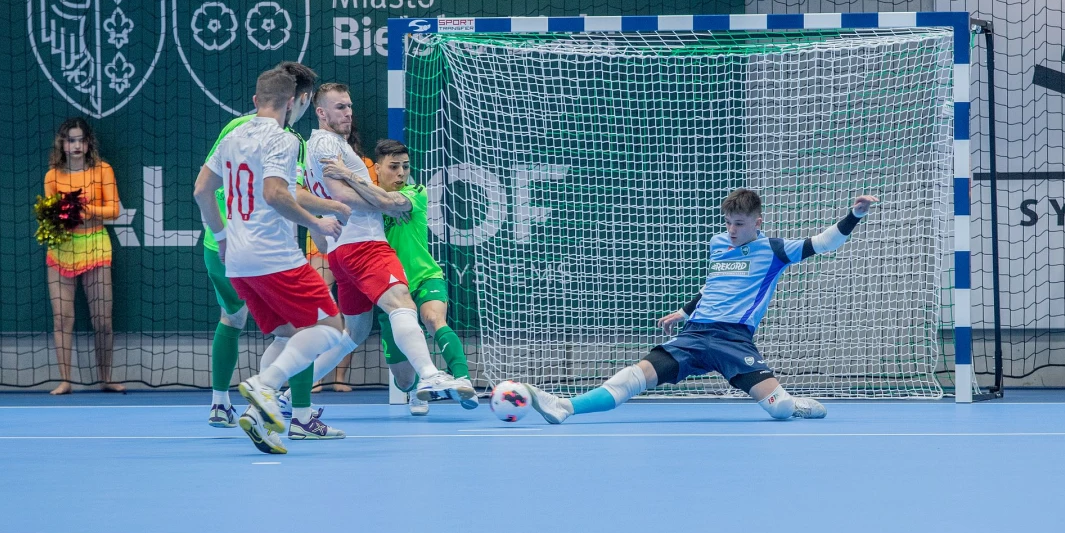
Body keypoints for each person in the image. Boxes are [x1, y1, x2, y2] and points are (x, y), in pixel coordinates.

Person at [528, 188, 878, 423]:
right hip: (694, 335)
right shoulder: (718, 243)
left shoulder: (775, 250)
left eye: (739, 224)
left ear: (757, 222)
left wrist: (855, 214)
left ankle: (792, 403)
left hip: (733, 340)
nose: (731, 230)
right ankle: (563, 406)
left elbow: (824, 242)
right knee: (634, 378)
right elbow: (714, 285)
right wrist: (684, 312)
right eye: (728, 222)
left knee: (780, 409)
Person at [193, 68, 356, 454]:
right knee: (331, 328)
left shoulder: (233, 134)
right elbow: (276, 193)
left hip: (237, 260)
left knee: (286, 335)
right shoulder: (284, 139)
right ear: (294, 102)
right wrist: (317, 222)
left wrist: (221, 237)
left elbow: (201, 190)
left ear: (255, 100)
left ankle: (262, 416)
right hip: (274, 256)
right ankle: (265, 386)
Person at [301, 83, 470, 408]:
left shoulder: (324, 146)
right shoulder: (326, 142)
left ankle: (290, 393)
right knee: (402, 304)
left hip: (341, 252)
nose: (348, 113)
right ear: (320, 112)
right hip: (364, 244)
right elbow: (341, 196)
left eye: (349, 106)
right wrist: (386, 205)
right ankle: (430, 374)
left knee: (354, 333)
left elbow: (325, 197)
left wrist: (369, 194)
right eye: (340, 107)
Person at [374, 139, 474, 416]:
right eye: (393, 167)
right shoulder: (366, 204)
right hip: (389, 288)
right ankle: (417, 386)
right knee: (404, 380)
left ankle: (463, 380)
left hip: (425, 276)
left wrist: (382, 203)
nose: (401, 173)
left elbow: (392, 202)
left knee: (433, 318)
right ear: (377, 168)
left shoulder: (416, 192)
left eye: (405, 167)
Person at [42, 118, 125, 395]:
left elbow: (114, 210)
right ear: (62, 144)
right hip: (61, 249)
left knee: (103, 320)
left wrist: (87, 211)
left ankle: (105, 378)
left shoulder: (103, 170)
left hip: (96, 246)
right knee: (61, 319)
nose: (76, 146)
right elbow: (50, 216)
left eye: (81, 140)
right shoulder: (52, 176)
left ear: (88, 144)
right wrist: (62, 216)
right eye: (70, 140)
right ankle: (65, 380)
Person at [307, 116, 377, 394]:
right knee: (320, 303)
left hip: (356, 240)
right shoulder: (315, 160)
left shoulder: (364, 166)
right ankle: (313, 376)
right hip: (324, 236)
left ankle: (339, 376)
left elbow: (370, 198)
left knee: (353, 318)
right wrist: (316, 226)